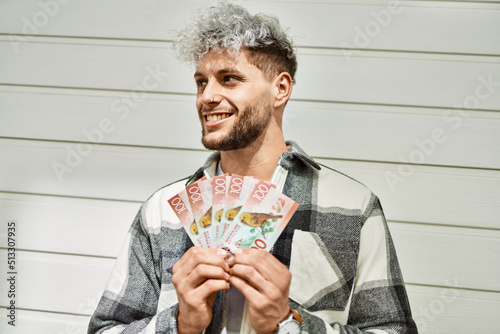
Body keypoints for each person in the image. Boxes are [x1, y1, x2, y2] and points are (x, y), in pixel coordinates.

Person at [88, 2, 418, 334]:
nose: (207, 96)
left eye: (228, 79)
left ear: (281, 89)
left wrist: (289, 325)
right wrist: (180, 323)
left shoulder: (353, 206)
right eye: (201, 82)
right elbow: (105, 330)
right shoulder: (162, 211)